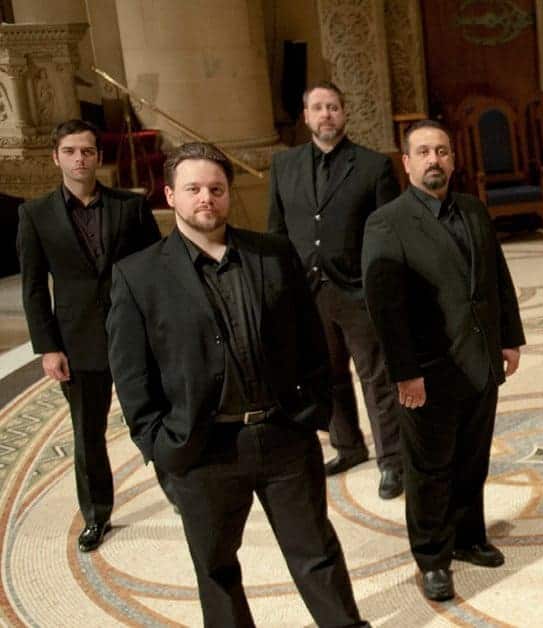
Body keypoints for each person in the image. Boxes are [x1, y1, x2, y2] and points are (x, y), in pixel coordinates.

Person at [107, 142, 365, 626]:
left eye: (216, 188)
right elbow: (132, 375)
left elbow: (311, 341)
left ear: (228, 193)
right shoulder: (138, 275)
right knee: (217, 569)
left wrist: (314, 410)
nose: (206, 197)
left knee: (316, 554)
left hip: (284, 435)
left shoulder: (273, 253)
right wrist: (160, 445)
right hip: (205, 448)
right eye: (193, 189)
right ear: (170, 195)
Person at [361, 120, 525, 602]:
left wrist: (509, 338)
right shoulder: (387, 222)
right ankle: (432, 557)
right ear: (406, 163)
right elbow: (386, 309)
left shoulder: (473, 209)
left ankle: (468, 537)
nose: (434, 159)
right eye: (424, 152)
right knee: (429, 469)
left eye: (442, 151)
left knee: (472, 459)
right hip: (427, 371)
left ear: (452, 159)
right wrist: (405, 373)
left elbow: (496, 277)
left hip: (478, 361)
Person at [17, 119, 161, 552]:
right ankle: (97, 515)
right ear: (55, 157)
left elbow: (156, 270)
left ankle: (180, 490)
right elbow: (33, 287)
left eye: (87, 151)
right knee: (87, 434)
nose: (79, 159)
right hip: (76, 341)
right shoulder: (35, 214)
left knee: (157, 417)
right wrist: (48, 348)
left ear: (98, 156)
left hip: (134, 334)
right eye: (70, 151)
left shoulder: (130, 207)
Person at [267, 80, 405, 498]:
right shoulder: (283, 166)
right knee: (326, 376)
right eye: (318, 107)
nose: (326, 114)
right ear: (306, 116)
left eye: (333, 107)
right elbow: (276, 231)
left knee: (376, 378)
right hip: (307, 291)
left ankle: (392, 460)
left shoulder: (373, 166)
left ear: (345, 113)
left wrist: (378, 287)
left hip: (357, 291)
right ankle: (348, 446)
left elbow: (388, 233)